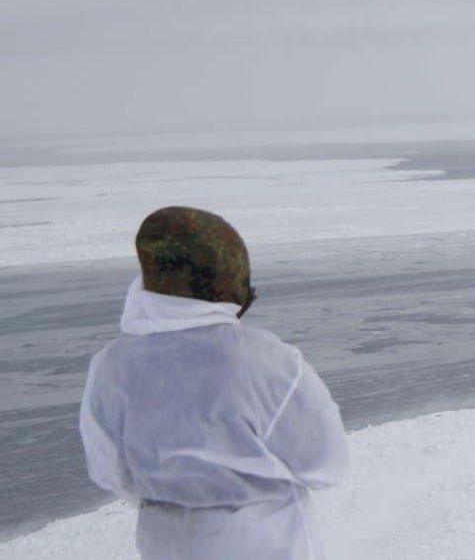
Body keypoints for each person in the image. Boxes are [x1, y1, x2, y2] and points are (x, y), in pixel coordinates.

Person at [80, 206, 349, 560]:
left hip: (166, 544)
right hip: (267, 545)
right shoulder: (265, 360)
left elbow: (110, 470)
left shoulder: (111, 366)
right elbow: (323, 461)